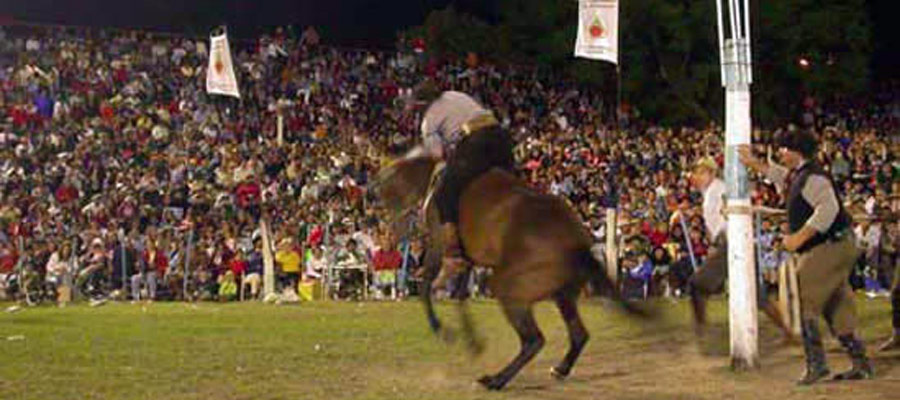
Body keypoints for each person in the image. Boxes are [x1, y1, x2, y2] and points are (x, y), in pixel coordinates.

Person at [739, 131, 874, 385]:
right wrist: (754, 163)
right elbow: (778, 174)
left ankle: (818, 365)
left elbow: (828, 208)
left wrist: (798, 238)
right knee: (836, 302)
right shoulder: (801, 174)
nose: (780, 153)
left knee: (801, 295)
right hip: (835, 244)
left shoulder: (812, 177)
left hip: (829, 245)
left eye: (783, 149)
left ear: (795, 151)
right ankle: (861, 364)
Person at [403, 80, 516, 288]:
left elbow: (438, 157)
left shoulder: (428, 121)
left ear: (420, 105)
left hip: (475, 145)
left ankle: (452, 257)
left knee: (444, 196)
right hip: (502, 141)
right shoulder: (455, 94)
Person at [684, 158, 793, 340]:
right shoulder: (711, 191)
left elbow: (729, 203)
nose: (697, 176)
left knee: (697, 285)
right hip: (731, 241)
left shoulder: (719, 188)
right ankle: (787, 331)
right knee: (756, 295)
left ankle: (701, 331)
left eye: (701, 172)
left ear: (711, 173)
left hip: (730, 241)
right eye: (696, 173)